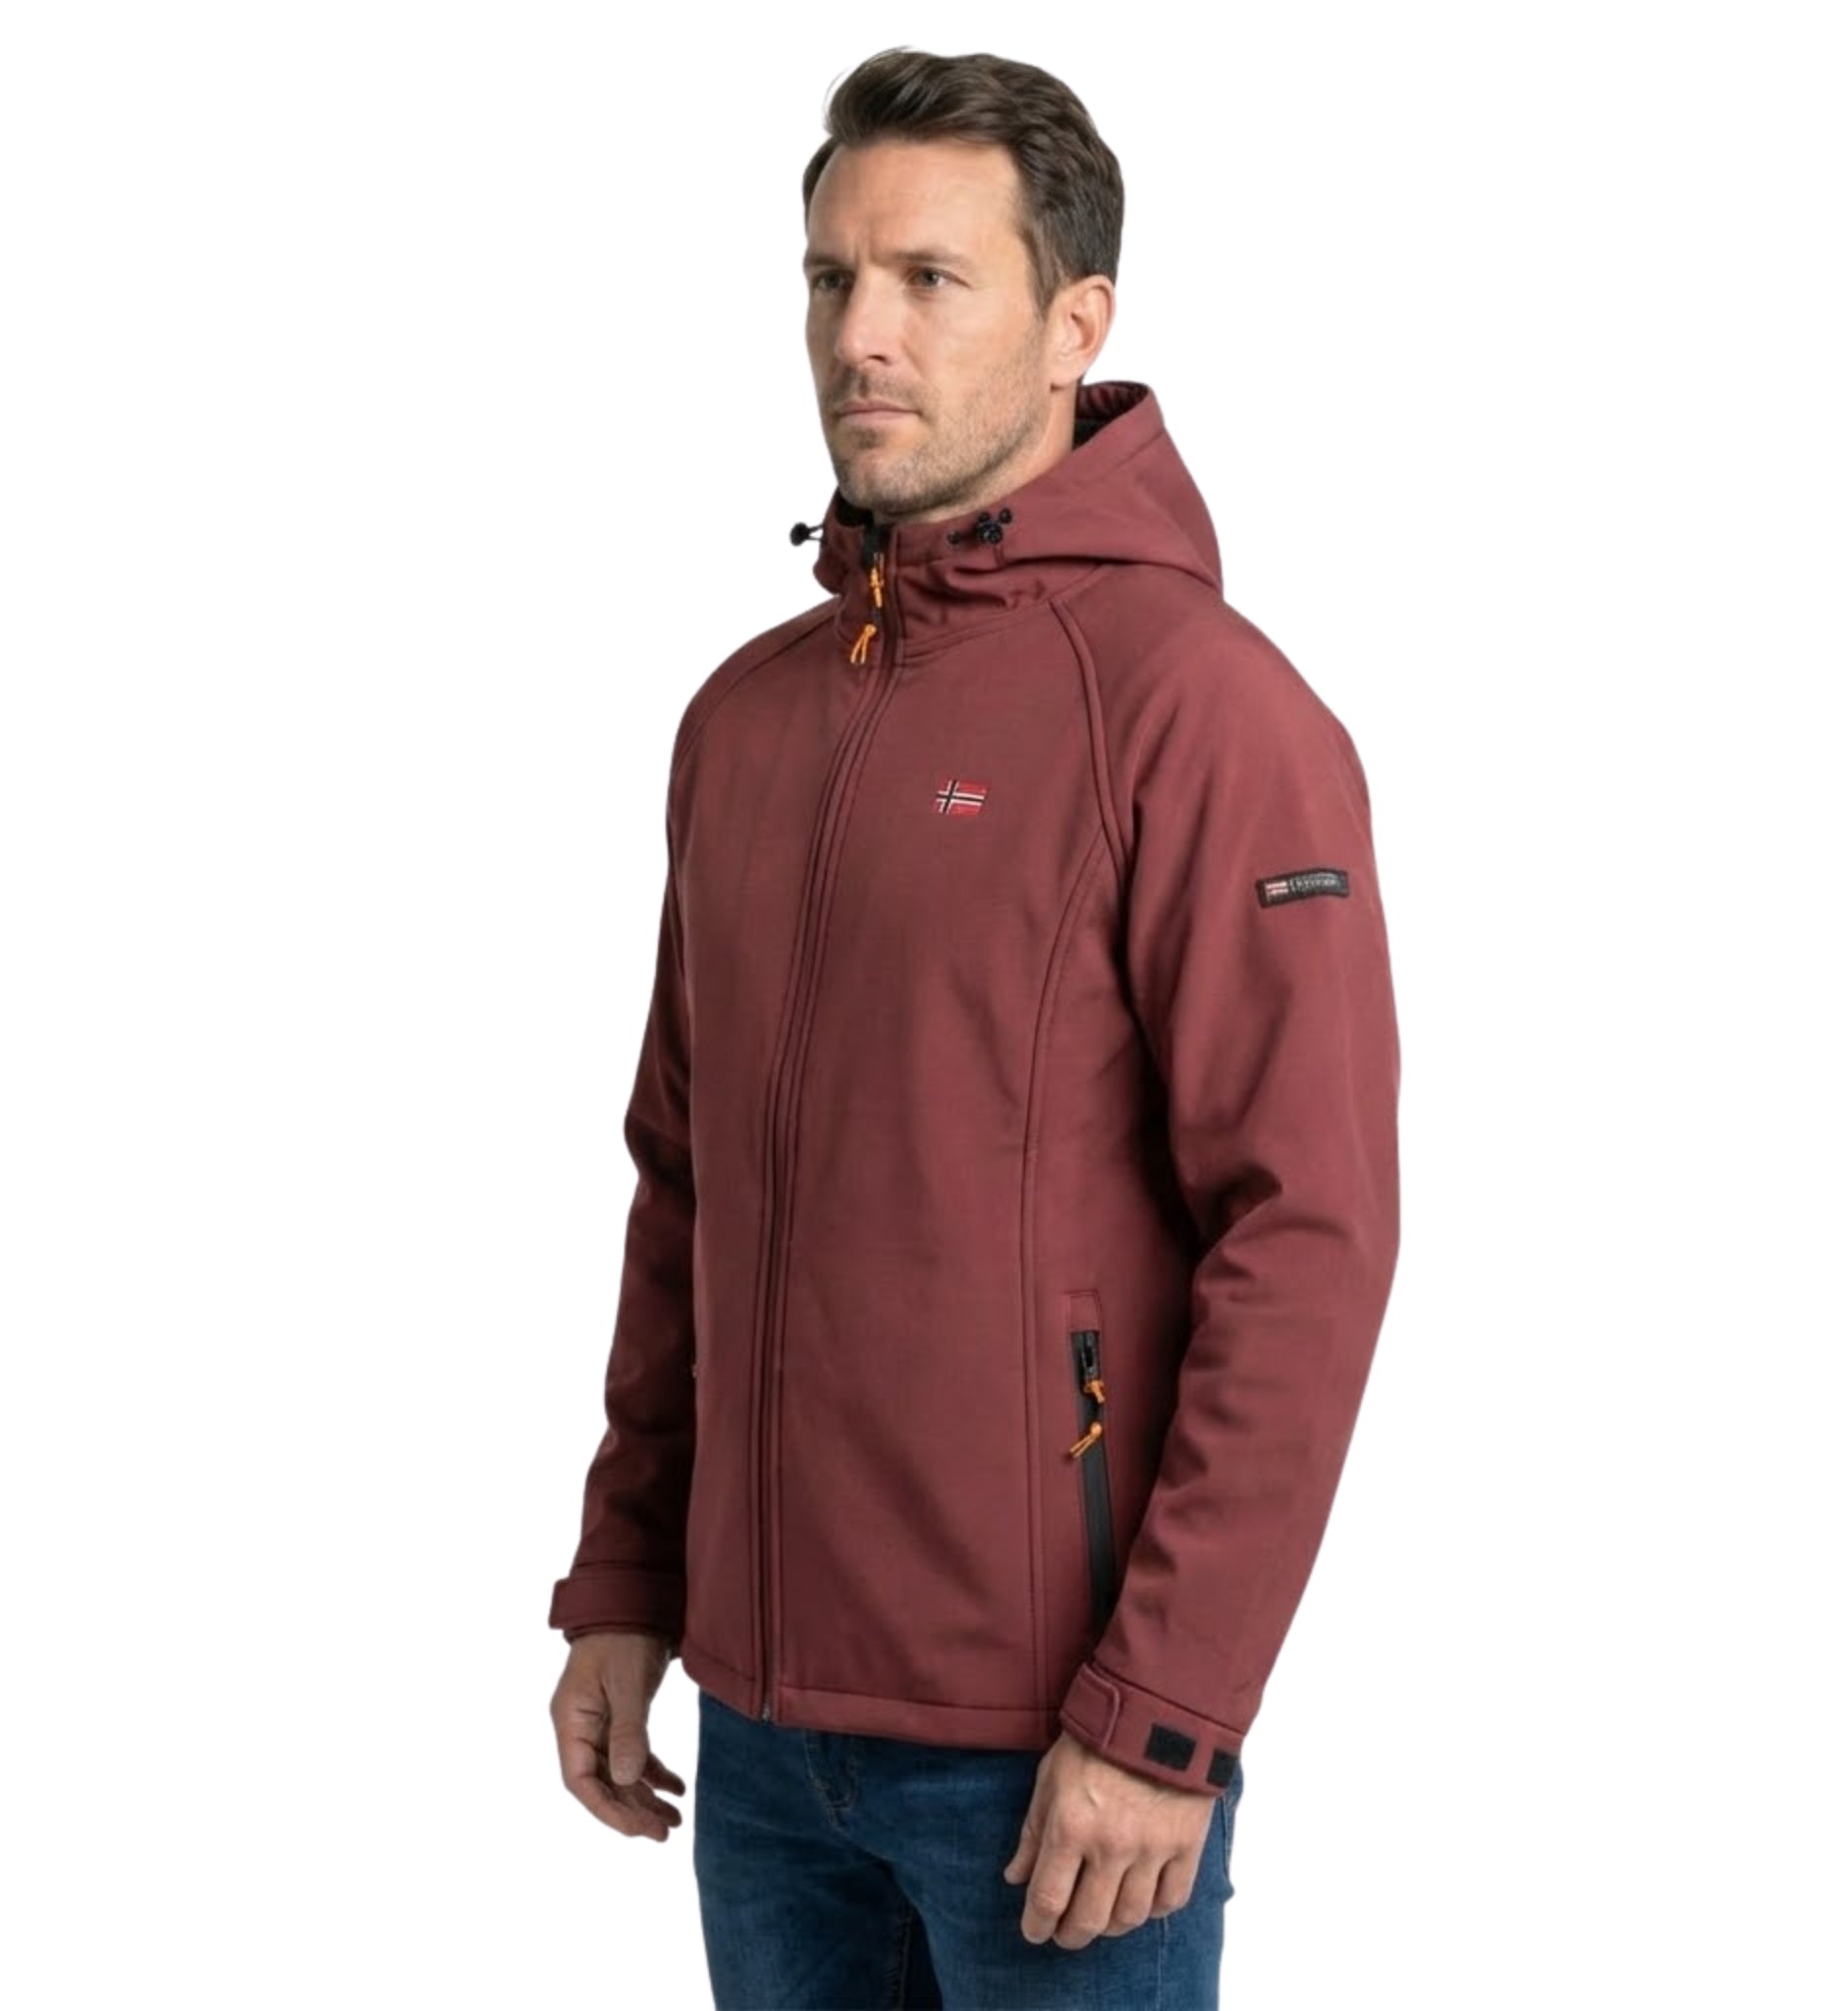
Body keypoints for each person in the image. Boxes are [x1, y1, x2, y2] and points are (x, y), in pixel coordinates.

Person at [546, 46, 1401, 2010]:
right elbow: (687, 1186)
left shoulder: (1204, 715)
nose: (862, 332)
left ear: (1074, 324)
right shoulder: (746, 721)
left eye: (930, 278)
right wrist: (628, 1574)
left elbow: (1307, 1233)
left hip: (1057, 1756)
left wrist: (1167, 1706)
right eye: (830, 277)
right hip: (761, 1743)